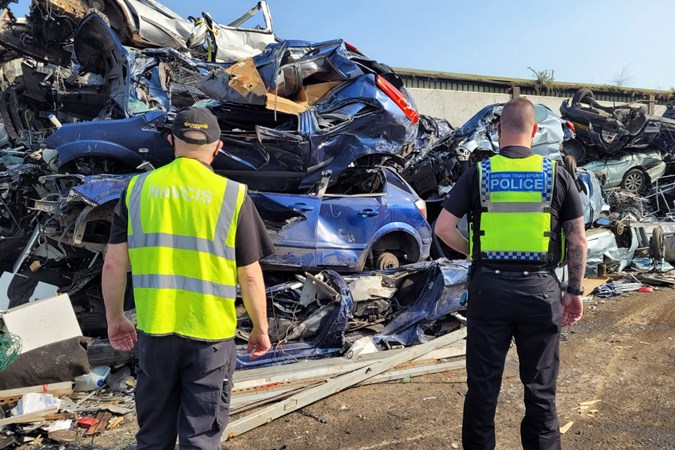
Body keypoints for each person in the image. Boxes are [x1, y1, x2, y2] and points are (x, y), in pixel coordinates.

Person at [102, 106, 274, 449]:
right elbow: (250, 276)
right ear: (218, 146)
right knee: (200, 437)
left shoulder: (137, 190)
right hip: (210, 337)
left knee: (153, 436)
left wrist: (116, 319)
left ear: (172, 141)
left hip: (155, 331)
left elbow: (113, 265)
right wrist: (260, 328)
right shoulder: (232, 195)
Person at [435, 97, 587, 450]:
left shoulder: (479, 173)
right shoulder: (556, 174)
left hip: (489, 290)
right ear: (534, 131)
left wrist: (474, 251)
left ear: (499, 129)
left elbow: (443, 227)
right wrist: (575, 291)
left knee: (483, 391)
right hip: (540, 292)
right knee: (540, 392)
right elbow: (577, 238)